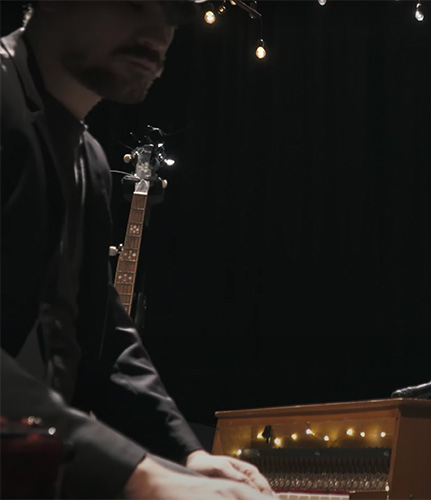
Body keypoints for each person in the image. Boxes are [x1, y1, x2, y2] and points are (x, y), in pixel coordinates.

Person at [0, 2, 278, 498]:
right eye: (135, 2)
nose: (159, 32)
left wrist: (187, 454)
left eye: (175, 15)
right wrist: (139, 475)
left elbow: (103, 337)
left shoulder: (90, 157)